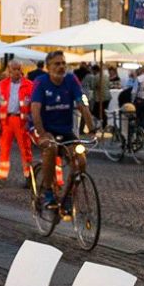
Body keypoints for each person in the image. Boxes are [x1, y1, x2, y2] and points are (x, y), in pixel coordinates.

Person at [29, 51, 85, 209]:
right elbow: (35, 110)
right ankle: (47, 191)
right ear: (48, 67)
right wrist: (42, 134)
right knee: (51, 148)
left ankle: (68, 194)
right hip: (42, 127)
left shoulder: (71, 79)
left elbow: (81, 103)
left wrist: (93, 128)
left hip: (64, 129)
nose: (61, 67)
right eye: (57, 64)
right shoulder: (41, 82)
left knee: (81, 160)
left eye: (63, 63)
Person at [0, 58, 35, 184]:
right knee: (4, 149)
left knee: (26, 150)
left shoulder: (29, 85)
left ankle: (28, 177)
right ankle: (1, 176)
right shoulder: (3, 84)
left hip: (22, 121)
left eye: (18, 69)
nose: (17, 72)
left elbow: (33, 105)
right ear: (9, 71)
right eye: (14, 70)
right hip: (7, 121)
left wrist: (31, 121)